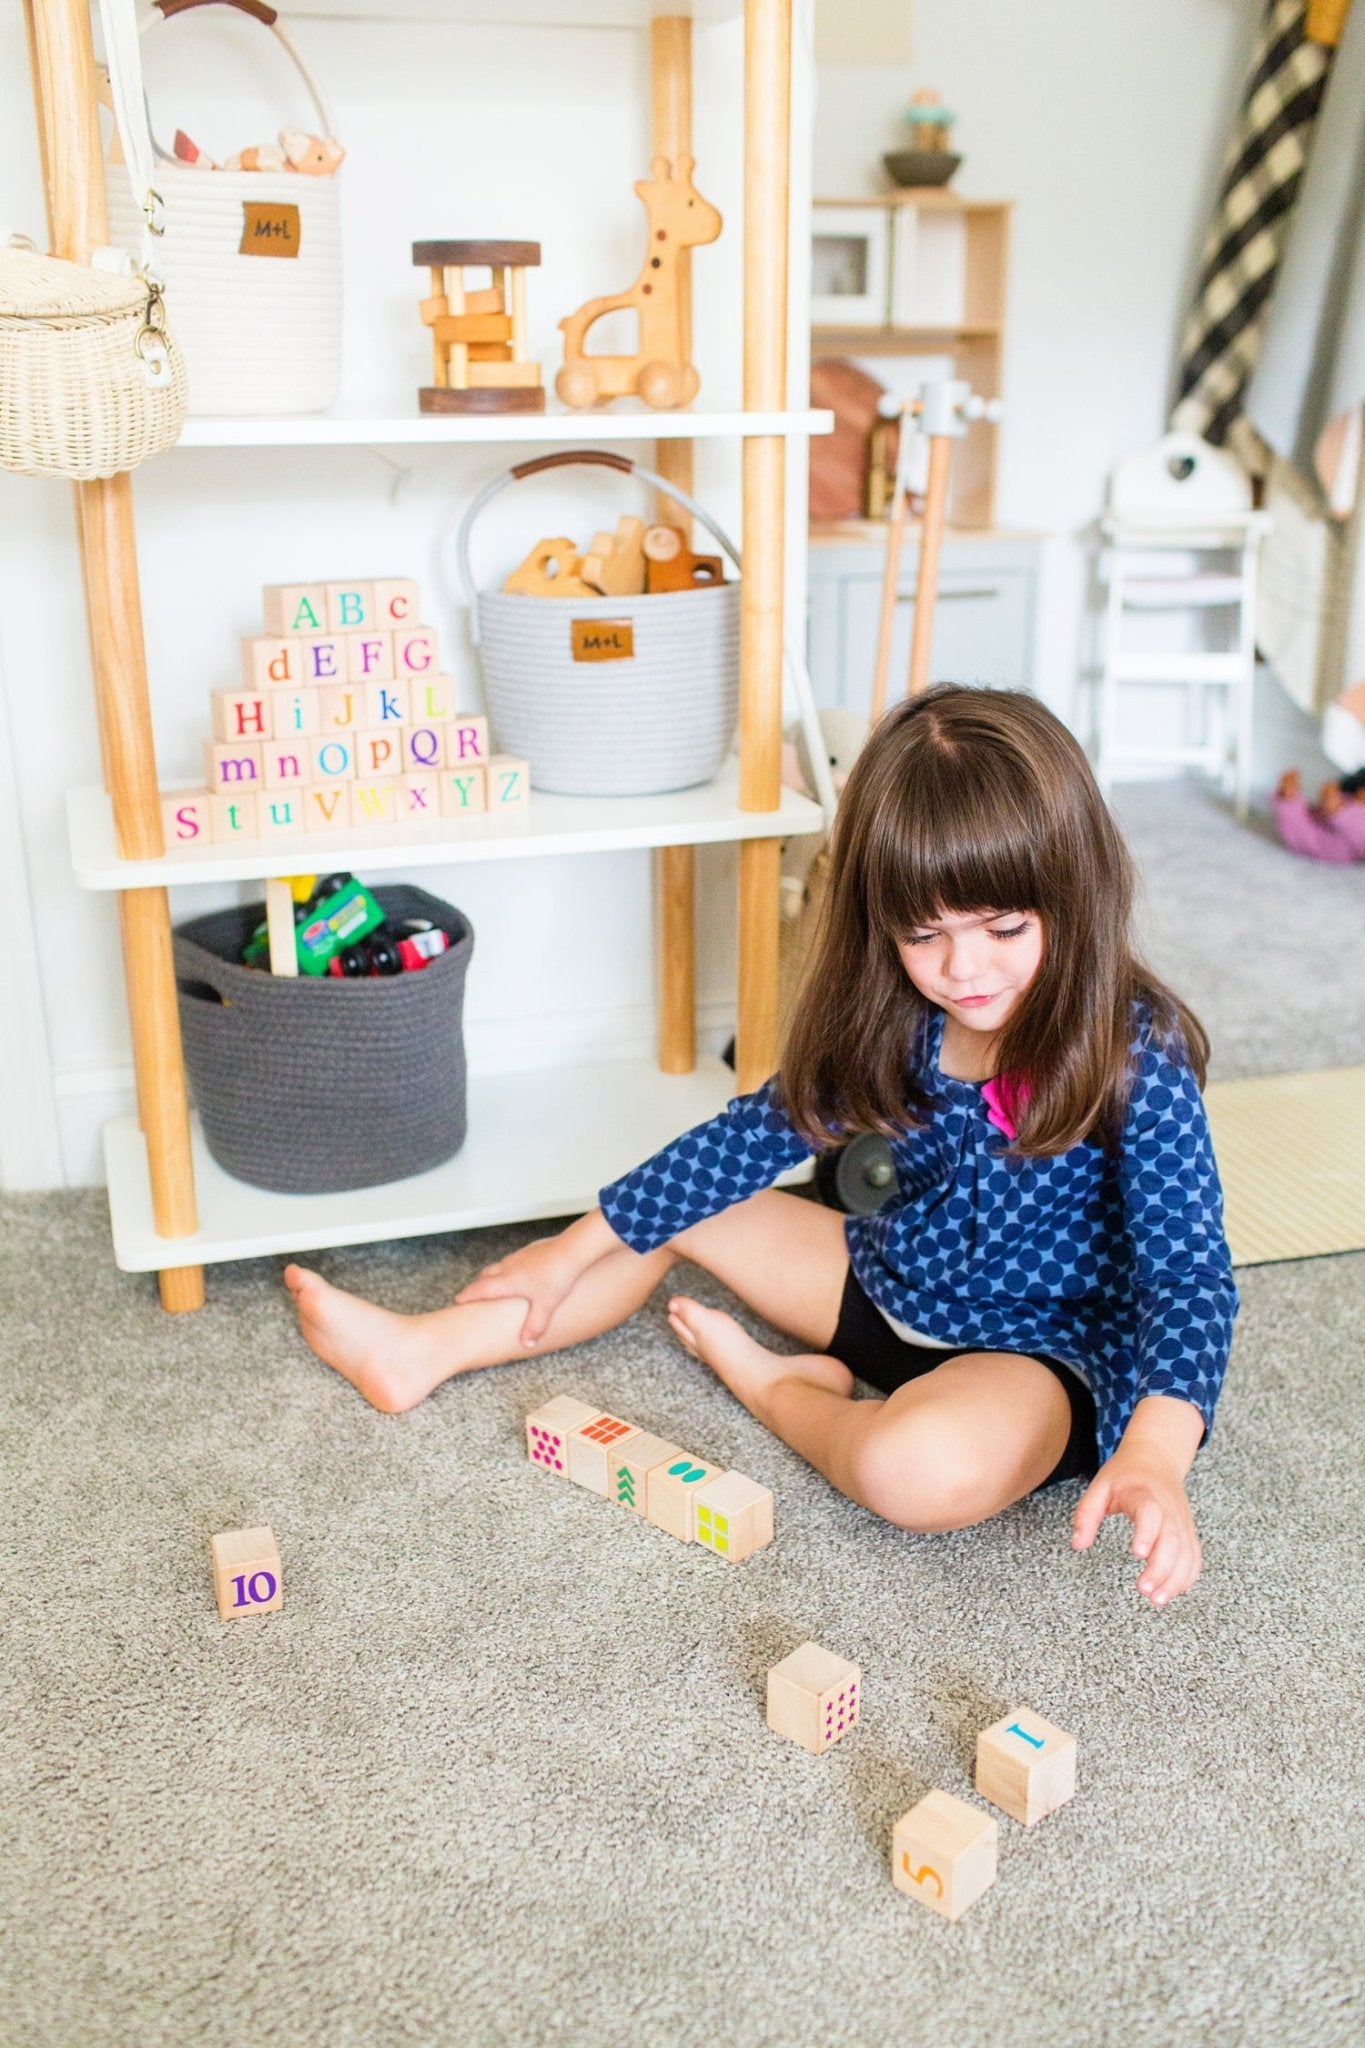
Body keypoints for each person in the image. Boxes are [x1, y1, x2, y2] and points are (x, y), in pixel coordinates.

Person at [286, 686, 1237, 1609]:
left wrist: (1153, 1449)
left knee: (917, 1471)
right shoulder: (903, 1014)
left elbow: (1188, 1275)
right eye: (923, 934)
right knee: (671, 1202)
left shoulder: (1132, 1054)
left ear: (1073, 891)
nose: (963, 968)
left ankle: (778, 1391)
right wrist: (566, 1251)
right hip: (884, 1281)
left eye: (1002, 927)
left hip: (1035, 1357)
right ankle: (422, 1351)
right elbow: (747, 1140)